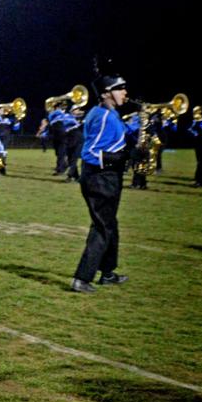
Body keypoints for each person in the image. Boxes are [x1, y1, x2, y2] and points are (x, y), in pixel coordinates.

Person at [71, 58, 139, 291]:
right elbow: (89, 152)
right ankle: (82, 278)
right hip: (100, 179)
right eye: (120, 88)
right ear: (106, 93)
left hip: (107, 178)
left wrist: (142, 121)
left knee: (110, 224)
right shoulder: (102, 115)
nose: (124, 92)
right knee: (102, 227)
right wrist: (123, 157)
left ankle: (107, 272)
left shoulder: (109, 113)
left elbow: (120, 136)